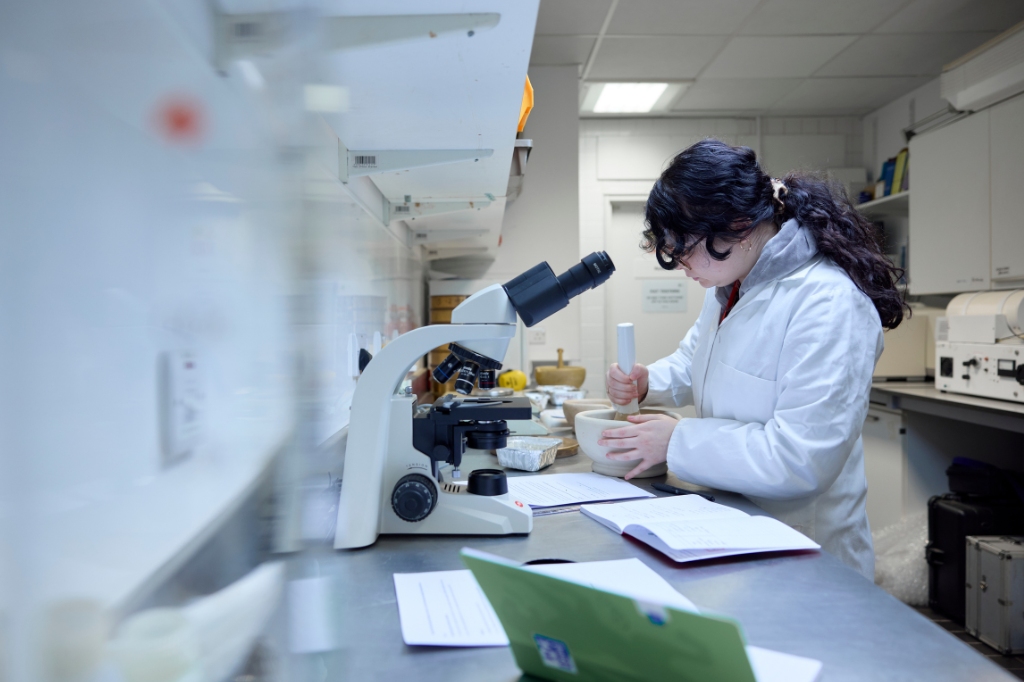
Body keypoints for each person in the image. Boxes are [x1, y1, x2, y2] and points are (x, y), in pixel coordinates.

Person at [601, 139, 906, 579]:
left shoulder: (829, 301)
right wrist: (650, 381)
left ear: (739, 225)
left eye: (685, 247)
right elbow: (697, 362)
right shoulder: (732, 284)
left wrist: (677, 441)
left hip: (805, 556)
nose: (682, 265)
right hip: (735, 528)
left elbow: (800, 460)